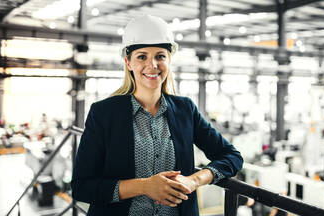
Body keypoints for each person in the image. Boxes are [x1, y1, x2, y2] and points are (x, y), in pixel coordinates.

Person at [71, 15, 243, 216]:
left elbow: (231, 157)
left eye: (160, 56)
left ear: (169, 60)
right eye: (142, 56)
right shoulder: (104, 113)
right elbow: (82, 186)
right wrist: (144, 186)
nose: (152, 65)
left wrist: (194, 180)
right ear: (128, 63)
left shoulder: (185, 110)